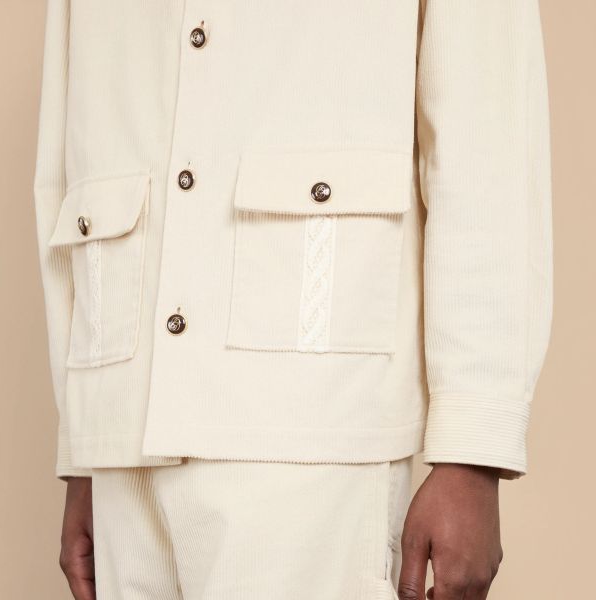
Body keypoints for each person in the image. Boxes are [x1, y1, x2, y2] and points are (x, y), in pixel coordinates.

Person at [33, 1, 552, 599]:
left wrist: (473, 450)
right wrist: (86, 443)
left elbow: (486, 136)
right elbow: (69, 149)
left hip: (319, 412)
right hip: (124, 423)